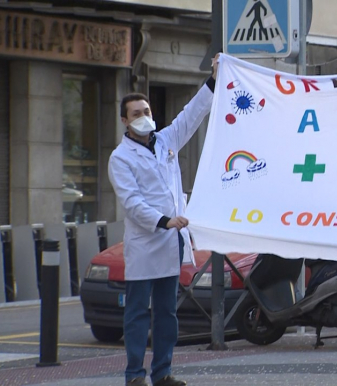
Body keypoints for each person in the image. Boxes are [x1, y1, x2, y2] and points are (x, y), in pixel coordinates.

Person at [108, 54, 220, 386]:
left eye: (147, 112)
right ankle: (133, 375)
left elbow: (194, 113)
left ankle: (163, 372)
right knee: (138, 314)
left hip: (170, 246)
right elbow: (132, 202)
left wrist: (215, 78)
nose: (143, 117)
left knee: (167, 314)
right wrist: (163, 221)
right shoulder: (120, 158)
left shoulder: (167, 141)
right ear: (125, 122)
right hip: (146, 245)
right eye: (136, 114)